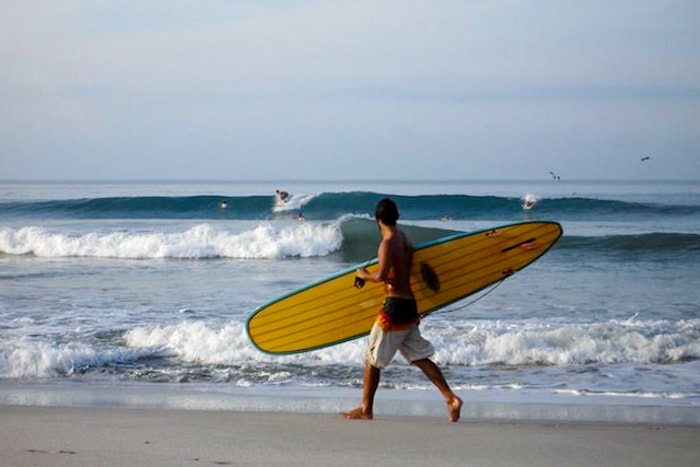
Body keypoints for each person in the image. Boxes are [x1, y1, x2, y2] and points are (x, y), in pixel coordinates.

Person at [342, 198, 463, 422]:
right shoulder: (403, 238)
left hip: (394, 308)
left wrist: (362, 275)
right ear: (395, 217)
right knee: (419, 357)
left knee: (371, 356)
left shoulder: (387, 243)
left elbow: (380, 276)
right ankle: (451, 398)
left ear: (377, 220)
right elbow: (404, 266)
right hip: (410, 305)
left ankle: (365, 408)